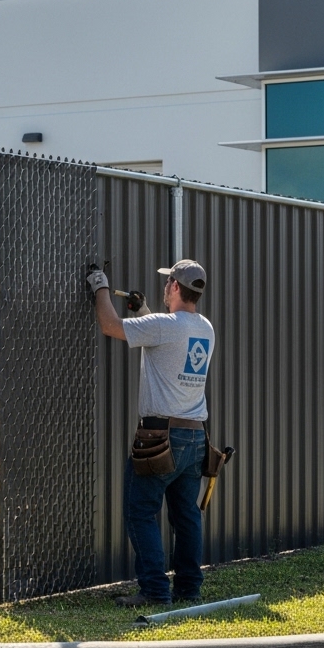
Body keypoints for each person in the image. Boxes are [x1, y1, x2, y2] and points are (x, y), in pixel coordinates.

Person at [87, 259, 215, 607]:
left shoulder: (162, 325)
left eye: (168, 281)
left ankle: (156, 591)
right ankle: (188, 588)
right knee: (186, 514)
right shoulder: (205, 328)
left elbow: (111, 325)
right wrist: (142, 309)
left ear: (175, 287)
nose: (165, 286)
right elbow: (166, 349)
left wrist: (100, 285)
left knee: (140, 511)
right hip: (195, 438)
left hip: (160, 438)